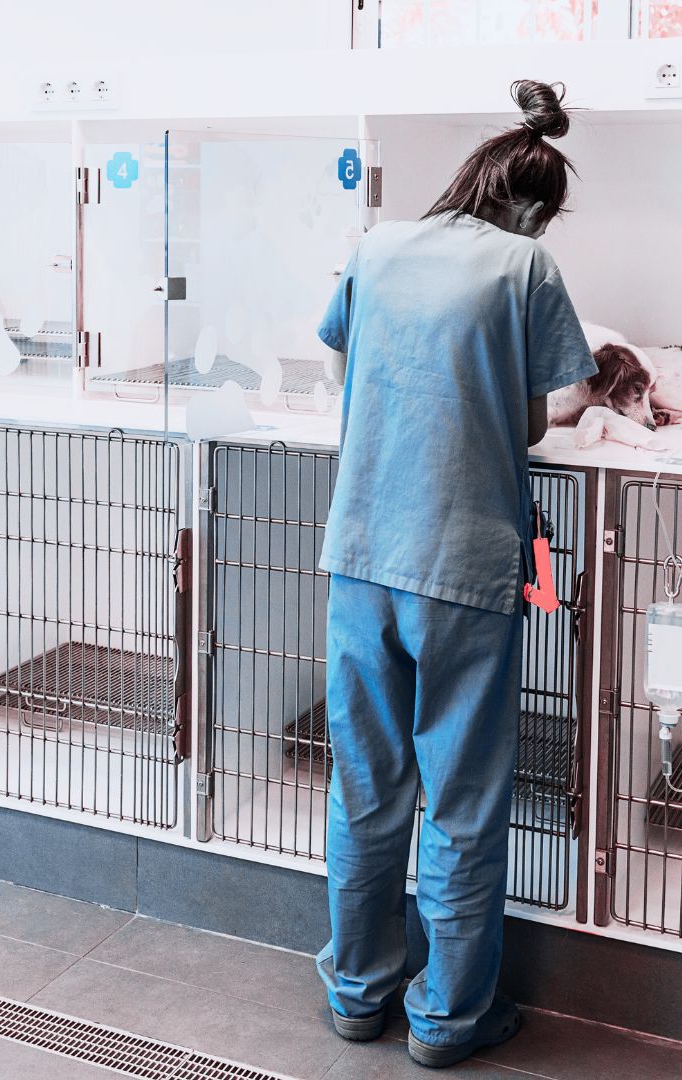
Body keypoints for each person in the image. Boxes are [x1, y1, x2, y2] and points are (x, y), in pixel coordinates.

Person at [314, 81, 597, 1069]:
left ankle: (356, 995)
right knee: (465, 800)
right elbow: (527, 420)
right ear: (534, 207)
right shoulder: (527, 268)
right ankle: (445, 1020)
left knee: (366, 786)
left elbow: (352, 365)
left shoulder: (378, 246)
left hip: (360, 557)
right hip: (465, 571)